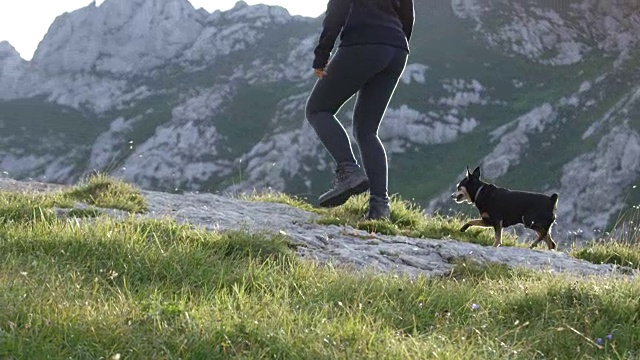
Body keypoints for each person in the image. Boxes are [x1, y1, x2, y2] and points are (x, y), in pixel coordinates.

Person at [305, 0, 415, 220]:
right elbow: (408, 15)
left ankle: (348, 171)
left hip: (363, 43)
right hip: (397, 50)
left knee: (318, 110)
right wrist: (394, 42)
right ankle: (380, 207)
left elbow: (337, 10)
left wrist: (322, 55)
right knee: (366, 130)